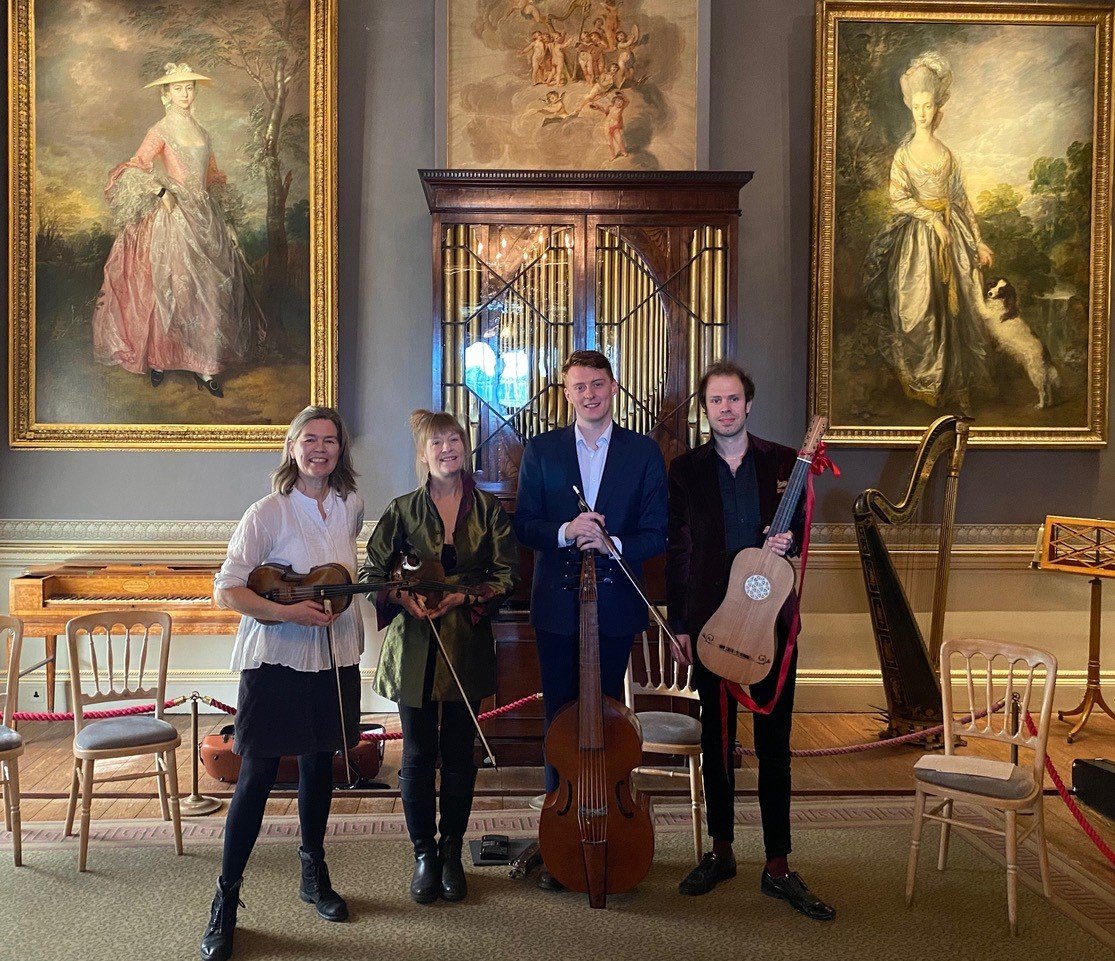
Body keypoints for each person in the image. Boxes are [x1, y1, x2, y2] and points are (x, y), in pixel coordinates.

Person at [664, 361, 835, 921]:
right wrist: (681, 625)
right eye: (715, 401)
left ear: (749, 404)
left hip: (771, 626)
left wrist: (789, 540)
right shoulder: (686, 470)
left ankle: (778, 865)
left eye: (733, 399)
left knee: (773, 748)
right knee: (716, 743)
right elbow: (679, 551)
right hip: (713, 624)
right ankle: (721, 852)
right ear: (705, 409)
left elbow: (806, 529)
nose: (725, 409)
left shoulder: (786, 463)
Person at [201, 406, 363, 961]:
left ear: (341, 450)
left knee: (320, 763)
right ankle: (226, 900)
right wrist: (290, 613)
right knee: (257, 776)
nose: (321, 449)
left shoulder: (350, 507)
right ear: (292, 447)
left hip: (334, 657)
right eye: (310, 440)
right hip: (275, 661)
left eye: (331, 441)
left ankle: (313, 871)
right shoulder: (266, 512)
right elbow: (228, 591)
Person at [514, 349, 667, 890]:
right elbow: (525, 525)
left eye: (598, 385)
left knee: (606, 720)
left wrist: (612, 542)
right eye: (578, 387)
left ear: (613, 386)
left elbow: (657, 533)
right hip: (557, 607)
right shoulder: (542, 450)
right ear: (566, 391)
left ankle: (607, 824)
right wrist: (565, 531)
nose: (589, 394)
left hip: (617, 606)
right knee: (560, 719)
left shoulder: (643, 452)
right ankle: (563, 831)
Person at [360, 410, 517, 905]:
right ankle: (423, 852)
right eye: (437, 443)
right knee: (418, 752)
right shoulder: (402, 509)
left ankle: (452, 850)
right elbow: (371, 572)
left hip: (466, 646)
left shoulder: (489, 511)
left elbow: (507, 577)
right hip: (413, 648)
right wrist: (401, 597)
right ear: (423, 454)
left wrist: (463, 598)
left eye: (454, 440)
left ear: (464, 448)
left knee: (458, 753)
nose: (447, 449)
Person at [92, 62, 265, 399]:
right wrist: (161, 191)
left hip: (206, 216)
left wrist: (226, 221)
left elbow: (212, 179)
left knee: (211, 290)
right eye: (178, 88)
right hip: (173, 219)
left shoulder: (203, 132)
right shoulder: (159, 130)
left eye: (189, 87)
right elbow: (135, 168)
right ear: (166, 93)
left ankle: (205, 364)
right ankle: (161, 360)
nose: (185, 93)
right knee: (171, 288)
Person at [865, 52, 993, 413]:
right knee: (920, 310)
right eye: (917, 106)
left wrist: (978, 241)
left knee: (960, 310)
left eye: (929, 105)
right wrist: (932, 219)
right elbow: (898, 198)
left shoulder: (948, 155)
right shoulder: (904, 155)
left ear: (937, 108)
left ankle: (956, 386)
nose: (923, 112)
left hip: (953, 240)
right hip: (918, 242)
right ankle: (929, 383)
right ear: (911, 108)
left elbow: (961, 201)